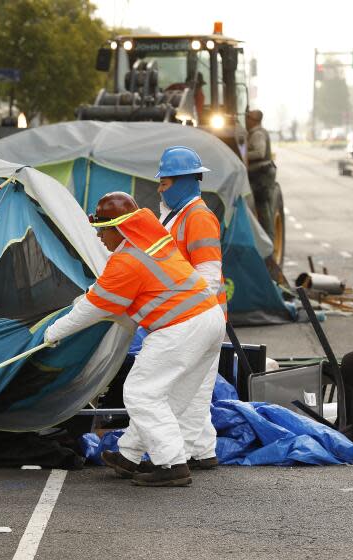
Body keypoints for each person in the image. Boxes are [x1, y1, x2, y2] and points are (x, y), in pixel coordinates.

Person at [44, 192, 225, 487]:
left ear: (120, 227)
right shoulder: (153, 241)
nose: (100, 237)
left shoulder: (127, 260)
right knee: (168, 395)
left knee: (142, 393)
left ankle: (172, 466)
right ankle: (129, 455)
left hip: (180, 327)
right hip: (209, 318)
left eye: (103, 229)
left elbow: (93, 308)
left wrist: (52, 333)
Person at [155, 146, 227, 470]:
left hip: (196, 318)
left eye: (165, 183)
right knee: (197, 390)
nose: (160, 188)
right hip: (193, 317)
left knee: (184, 391)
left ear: (184, 182)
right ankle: (203, 450)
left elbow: (208, 278)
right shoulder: (176, 214)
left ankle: (179, 456)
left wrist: (186, 320)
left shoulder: (197, 217)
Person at [246, 110, 277, 229]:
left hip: (261, 176)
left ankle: (268, 242)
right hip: (261, 175)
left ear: (254, 120)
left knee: (262, 208)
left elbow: (260, 153)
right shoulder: (257, 132)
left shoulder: (258, 134)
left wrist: (242, 155)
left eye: (248, 117)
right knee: (263, 208)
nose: (246, 120)